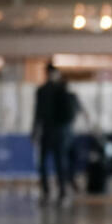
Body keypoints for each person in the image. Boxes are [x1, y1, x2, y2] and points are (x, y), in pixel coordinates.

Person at [32, 63, 77, 205]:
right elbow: (70, 114)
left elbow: (37, 113)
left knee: (43, 162)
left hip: (46, 130)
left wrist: (34, 131)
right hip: (60, 132)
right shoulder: (62, 89)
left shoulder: (42, 90)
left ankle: (46, 192)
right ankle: (62, 192)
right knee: (60, 162)